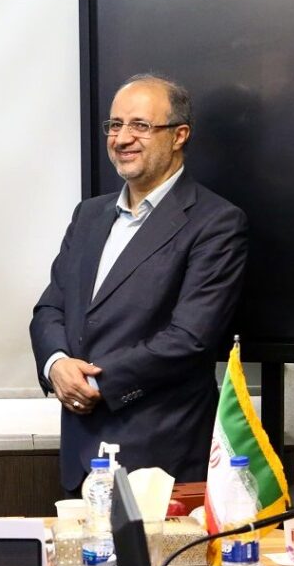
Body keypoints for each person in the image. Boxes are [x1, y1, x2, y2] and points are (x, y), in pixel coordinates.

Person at [30, 73, 248, 493]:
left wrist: (95, 382)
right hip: (81, 454)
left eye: (140, 125)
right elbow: (51, 308)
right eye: (115, 125)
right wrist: (56, 364)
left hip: (161, 456)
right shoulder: (88, 216)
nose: (122, 138)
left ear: (179, 135)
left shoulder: (216, 223)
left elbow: (190, 338)